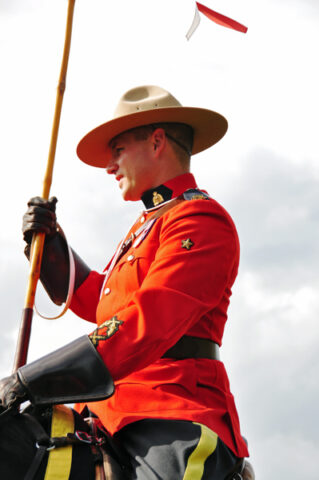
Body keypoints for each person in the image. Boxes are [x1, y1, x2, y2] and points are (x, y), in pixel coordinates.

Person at [0, 85, 254, 479]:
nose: (108, 165)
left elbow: (146, 321)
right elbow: (101, 301)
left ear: (156, 142)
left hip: (171, 412)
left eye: (117, 149)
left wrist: (31, 379)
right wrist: (51, 251)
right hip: (104, 412)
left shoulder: (200, 220)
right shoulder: (145, 226)